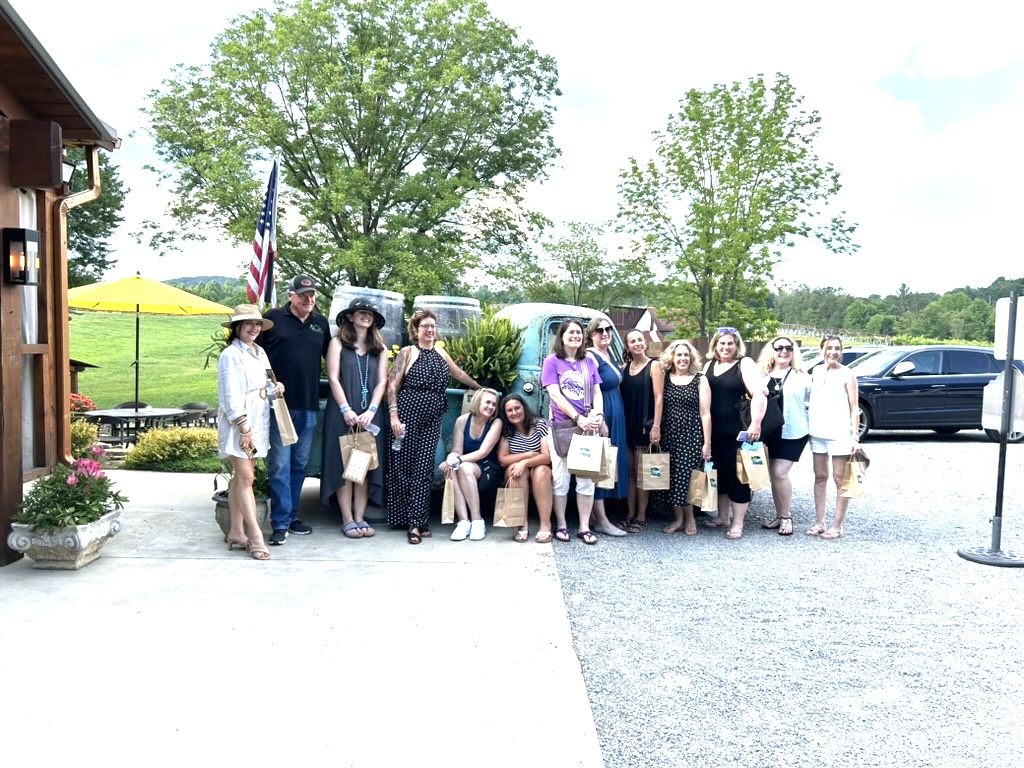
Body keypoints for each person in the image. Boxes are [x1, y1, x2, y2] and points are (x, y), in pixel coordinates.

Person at [387, 309, 480, 545]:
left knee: (425, 468)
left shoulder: (440, 352)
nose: (430, 330)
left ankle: (417, 520)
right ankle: (411, 522)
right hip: (408, 414)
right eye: (425, 326)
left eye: (433, 326)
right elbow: (392, 385)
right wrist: (394, 416)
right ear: (415, 330)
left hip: (432, 418)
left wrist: (480, 388)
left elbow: (457, 373)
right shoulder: (408, 353)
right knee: (404, 466)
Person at [259, 275, 331, 546]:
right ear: (291, 295)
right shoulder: (273, 319)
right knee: (279, 465)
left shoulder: (320, 324)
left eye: (312, 295)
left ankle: (290, 517)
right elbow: (258, 358)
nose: (309, 300)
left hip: (309, 405)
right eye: (303, 295)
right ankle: (278, 524)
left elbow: (331, 357)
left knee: (299, 465)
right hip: (280, 406)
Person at [217, 304, 285, 561]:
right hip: (241, 423)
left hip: (259, 419)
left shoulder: (260, 353)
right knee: (246, 478)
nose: (254, 328)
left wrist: (274, 388)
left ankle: (235, 531)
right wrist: (243, 426)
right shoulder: (230, 356)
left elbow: (264, 385)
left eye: (257, 324)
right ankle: (255, 536)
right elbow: (230, 395)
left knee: (242, 476)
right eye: (249, 324)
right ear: (237, 327)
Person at [321, 297, 389, 539]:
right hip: (343, 414)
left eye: (370, 313)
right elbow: (333, 377)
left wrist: (371, 409)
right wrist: (345, 409)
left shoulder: (380, 349)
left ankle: (360, 517)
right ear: (350, 317)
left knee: (363, 467)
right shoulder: (338, 343)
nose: (366, 316)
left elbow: (382, 381)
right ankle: (347, 518)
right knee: (344, 466)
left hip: (370, 414)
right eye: (361, 312)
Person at [541, 318, 604, 545]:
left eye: (579, 333)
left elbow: (597, 391)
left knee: (586, 479)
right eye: (571, 333)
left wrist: (598, 414)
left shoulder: (589, 361)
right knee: (561, 478)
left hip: (588, 427)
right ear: (562, 336)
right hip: (563, 427)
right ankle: (562, 524)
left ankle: (585, 526)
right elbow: (555, 394)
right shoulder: (552, 361)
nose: (575, 336)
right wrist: (578, 418)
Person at [701, 326, 767, 540]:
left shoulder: (744, 363)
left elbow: (759, 393)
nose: (726, 347)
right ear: (715, 346)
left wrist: (755, 423)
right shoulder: (709, 365)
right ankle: (722, 517)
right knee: (719, 474)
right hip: (713, 431)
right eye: (722, 343)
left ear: (736, 345)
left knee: (739, 477)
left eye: (730, 343)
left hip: (737, 431)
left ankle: (738, 523)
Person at [756, 336, 812, 536]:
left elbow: (811, 404)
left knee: (780, 473)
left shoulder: (802, 376)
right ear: (771, 350)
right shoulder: (761, 376)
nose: (784, 351)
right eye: (779, 348)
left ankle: (787, 517)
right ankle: (779, 515)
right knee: (774, 476)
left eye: (789, 348)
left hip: (793, 431)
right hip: (769, 433)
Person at [807, 336, 860, 540]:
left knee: (840, 479)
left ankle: (837, 525)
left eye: (837, 348)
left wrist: (854, 437)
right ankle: (820, 522)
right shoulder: (816, 371)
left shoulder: (848, 374)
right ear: (821, 350)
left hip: (839, 435)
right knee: (820, 476)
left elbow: (855, 408)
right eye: (829, 348)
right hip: (817, 433)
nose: (833, 352)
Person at [658, 339, 711, 536]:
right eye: (679, 354)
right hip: (669, 434)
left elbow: (705, 413)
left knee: (688, 477)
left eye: (686, 355)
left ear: (691, 358)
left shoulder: (700, 378)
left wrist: (707, 443)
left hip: (692, 434)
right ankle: (678, 518)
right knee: (670, 477)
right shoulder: (664, 378)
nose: (682, 358)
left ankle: (690, 518)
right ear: (672, 357)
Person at [583, 318, 629, 538]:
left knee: (608, 462)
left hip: (615, 409)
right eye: (599, 330)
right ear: (591, 334)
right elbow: (591, 390)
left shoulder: (608, 355)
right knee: (600, 464)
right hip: (604, 412)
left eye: (608, 329)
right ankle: (601, 520)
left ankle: (595, 514)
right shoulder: (591, 355)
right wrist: (600, 419)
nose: (604, 333)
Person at [618, 330, 665, 533]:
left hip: (644, 427)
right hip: (627, 426)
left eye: (639, 340)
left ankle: (641, 515)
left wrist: (656, 426)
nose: (637, 343)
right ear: (627, 347)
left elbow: (659, 398)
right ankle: (629, 513)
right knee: (629, 473)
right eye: (632, 341)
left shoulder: (654, 366)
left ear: (644, 343)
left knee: (642, 474)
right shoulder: (624, 368)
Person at [441, 388, 503, 542]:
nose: (491, 407)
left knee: (463, 467)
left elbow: (483, 452)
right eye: (487, 402)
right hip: (465, 464)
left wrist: (459, 460)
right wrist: (450, 459)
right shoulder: (462, 420)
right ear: (477, 402)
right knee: (451, 469)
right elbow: (456, 450)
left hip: (487, 466)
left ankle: (477, 520)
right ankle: (463, 522)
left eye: (494, 404)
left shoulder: (496, 422)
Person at [497, 394, 554, 543]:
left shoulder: (540, 424)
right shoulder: (506, 430)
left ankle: (545, 525)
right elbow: (503, 459)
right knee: (515, 471)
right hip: (519, 470)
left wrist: (526, 463)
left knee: (541, 471)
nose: (514, 412)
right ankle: (522, 525)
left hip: (539, 468)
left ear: (524, 408)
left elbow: (546, 456)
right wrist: (527, 455)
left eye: (517, 408)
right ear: (505, 413)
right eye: (510, 410)